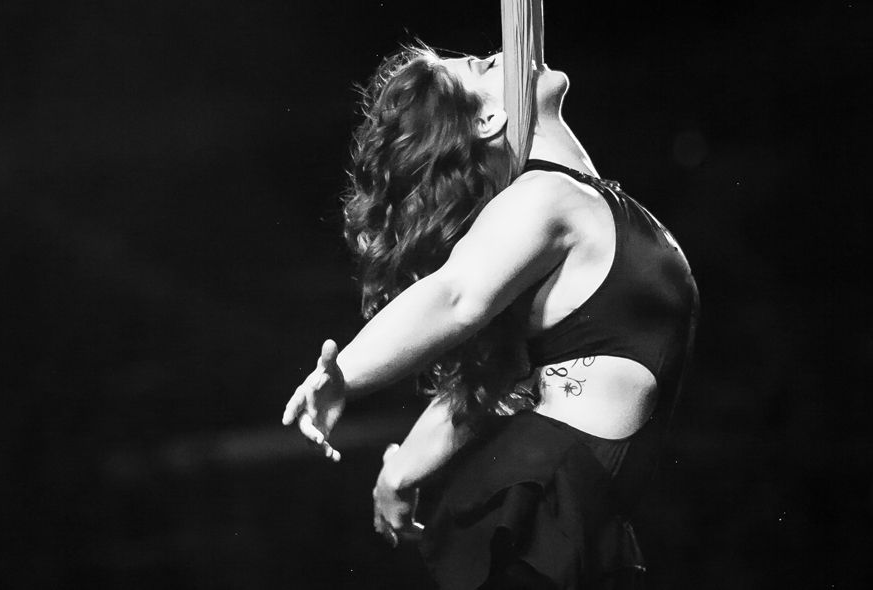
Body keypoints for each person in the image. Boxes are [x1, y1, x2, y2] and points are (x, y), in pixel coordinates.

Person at [282, 43, 699, 589]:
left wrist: (401, 470)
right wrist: (345, 376)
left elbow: (490, 377)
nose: (506, 49)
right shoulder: (546, 197)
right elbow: (455, 295)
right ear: (486, 118)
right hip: (542, 510)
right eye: (483, 65)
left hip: (571, 510)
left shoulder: (571, 202)